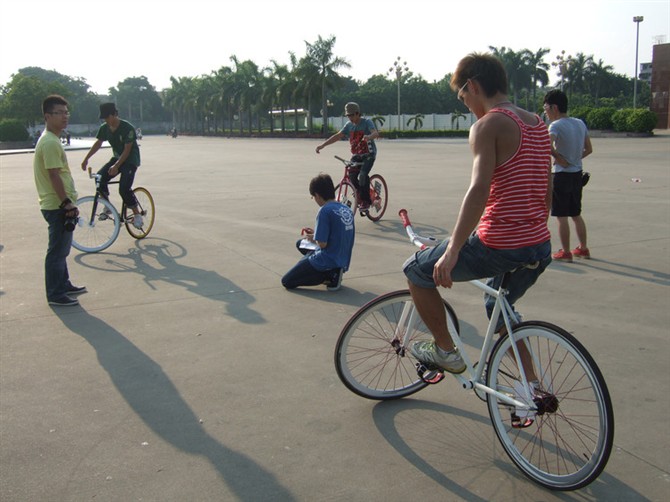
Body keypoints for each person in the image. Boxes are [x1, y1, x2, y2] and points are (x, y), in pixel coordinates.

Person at [402, 53, 552, 383]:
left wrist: (452, 249)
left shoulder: (489, 124)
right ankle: (533, 388)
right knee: (499, 312)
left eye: (463, 96)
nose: (467, 104)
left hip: (499, 244)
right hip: (539, 246)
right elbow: (546, 191)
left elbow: (479, 190)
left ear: (473, 85)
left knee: (416, 271)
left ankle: (445, 351)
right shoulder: (539, 125)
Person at [33, 95, 86, 306]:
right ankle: (55, 294)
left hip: (56, 204)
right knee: (57, 251)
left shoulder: (51, 139)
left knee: (62, 249)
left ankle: (63, 284)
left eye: (66, 112)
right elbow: (54, 175)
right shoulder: (49, 142)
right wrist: (66, 202)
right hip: (56, 206)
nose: (65, 117)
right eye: (59, 113)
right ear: (47, 116)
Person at [282, 173, 355, 291]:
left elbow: (322, 244)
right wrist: (317, 232)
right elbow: (338, 232)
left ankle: (329, 275)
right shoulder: (345, 209)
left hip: (328, 257)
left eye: (313, 197)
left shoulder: (324, 211)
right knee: (300, 243)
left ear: (317, 195)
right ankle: (333, 270)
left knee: (287, 281)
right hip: (342, 256)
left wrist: (315, 238)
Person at [543, 89, 593, 262]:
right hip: (577, 174)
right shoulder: (580, 123)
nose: (545, 112)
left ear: (554, 107)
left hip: (562, 176)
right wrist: (573, 160)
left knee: (561, 216)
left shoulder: (556, 126)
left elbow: (546, 145)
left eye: (546, 108)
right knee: (576, 213)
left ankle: (565, 252)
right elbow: (589, 149)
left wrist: (560, 159)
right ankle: (583, 248)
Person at [81, 103, 143, 228]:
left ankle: (137, 215)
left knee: (124, 188)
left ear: (115, 114)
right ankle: (108, 206)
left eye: (107, 117)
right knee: (100, 178)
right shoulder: (105, 128)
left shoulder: (127, 128)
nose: (106, 120)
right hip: (116, 158)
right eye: (104, 118)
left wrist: (116, 166)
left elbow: (127, 150)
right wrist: (86, 158)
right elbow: (98, 143)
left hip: (130, 160)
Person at [315, 102, 380, 210]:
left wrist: (369, 136)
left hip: (369, 154)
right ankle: (360, 194)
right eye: (348, 115)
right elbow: (337, 136)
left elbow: (376, 133)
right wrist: (323, 145)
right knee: (352, 176)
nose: (349, 118)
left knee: (363, 175)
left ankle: (366, 201)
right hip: (356, 155)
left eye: (351, 115)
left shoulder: (367, 122)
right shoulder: (348, 126)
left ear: (357, 113)